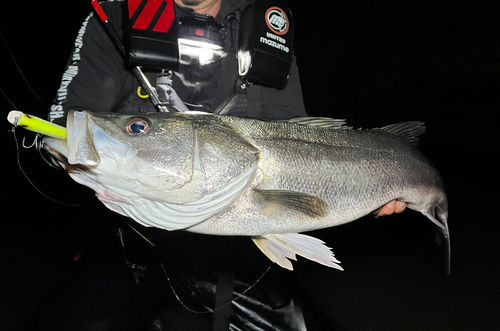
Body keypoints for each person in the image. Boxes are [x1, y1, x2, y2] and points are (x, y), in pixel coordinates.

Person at [36, 0, 406, 330]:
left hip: (235, 242)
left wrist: (364, 188)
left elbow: (293, 135)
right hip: (131, 236)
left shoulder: (267, 23)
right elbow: (63, 128)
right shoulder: (116, 14)